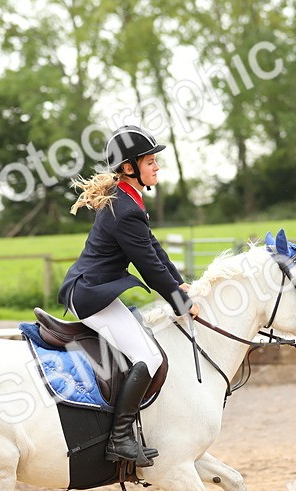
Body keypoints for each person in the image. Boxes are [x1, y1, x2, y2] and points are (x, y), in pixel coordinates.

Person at [58, 125, 201, 469]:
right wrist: (181, 305)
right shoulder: (125, 210)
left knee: (145, 350)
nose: (156, 167)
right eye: (150, 161)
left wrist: (182, 286)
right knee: (149, 357)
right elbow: (149, 267)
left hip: (96, 289)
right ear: (128, 168)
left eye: (155, 161)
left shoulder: (129, 201)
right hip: (91, 296)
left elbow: (154, 249)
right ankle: (119, 439)